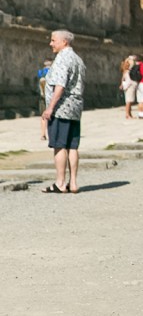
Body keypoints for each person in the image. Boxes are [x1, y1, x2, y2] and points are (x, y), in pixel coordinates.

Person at [40, 30, 85, 194]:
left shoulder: (62, 59)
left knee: (59, 146)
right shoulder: (77, 59)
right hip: (75, 107)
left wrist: (50, 107)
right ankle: (73, 183)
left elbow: (60, 85)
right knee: (73, 146)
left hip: (61, 108)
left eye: (53, 40)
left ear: (64, 42)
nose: (51, 44)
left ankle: (60, 182)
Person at [119, 55, 137, 120]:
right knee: (128, 102)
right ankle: (127, 114)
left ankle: (129, 114)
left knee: (130, 101)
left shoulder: (126, 71)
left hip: (129, 87)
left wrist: (121, 84)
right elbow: (126, 80)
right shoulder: (127, 72)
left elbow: (123, 79)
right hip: (129, 87)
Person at [37, 58, 52, 139]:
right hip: (51, 97)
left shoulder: (41, 72)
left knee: (43, 116)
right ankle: (52, 133)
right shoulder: (53, 71)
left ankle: (43, 134)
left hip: (42, 96)